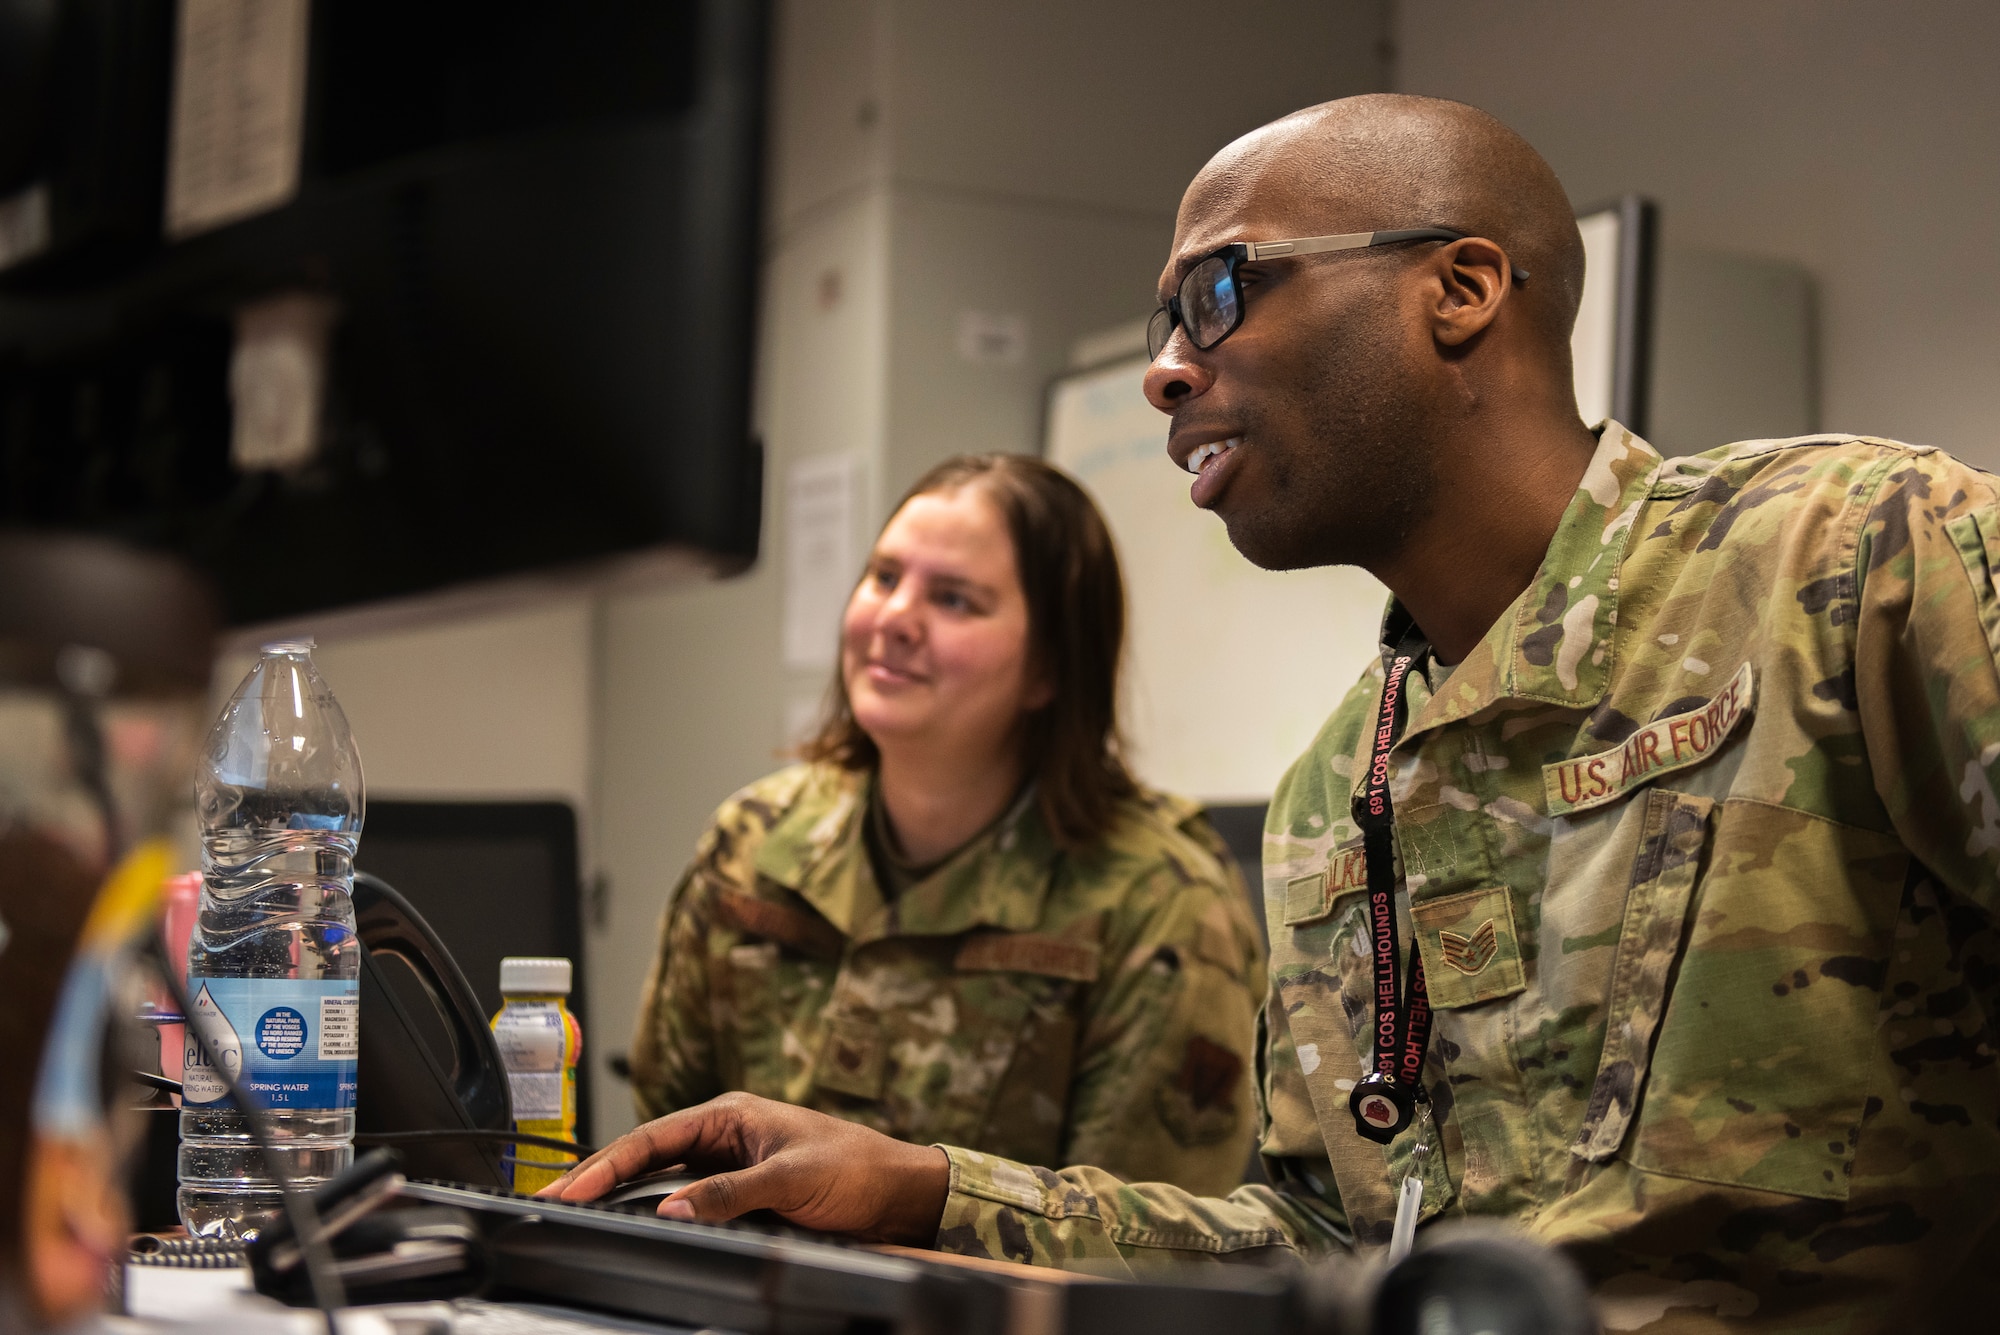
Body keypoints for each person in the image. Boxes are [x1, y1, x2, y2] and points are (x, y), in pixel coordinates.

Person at [556, 95, 2000, 1330]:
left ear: (1462, 288)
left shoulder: (1853, 556)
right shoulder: (1344, 788)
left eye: (1220, 288)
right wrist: (925, 1182)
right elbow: (1320, 1242)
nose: (1168, 366)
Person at [626, 453, 1266, 1195]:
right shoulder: (753, 840)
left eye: (956, 599)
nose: (895, 618)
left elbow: (1138, 1244)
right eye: (884, 576)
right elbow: (666, 1145)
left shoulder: (1161, 900)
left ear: (1048, 668)